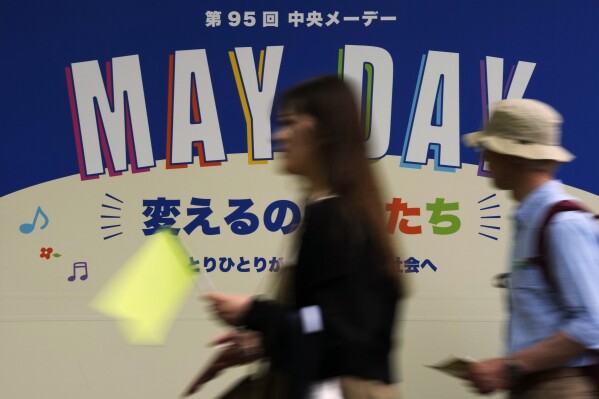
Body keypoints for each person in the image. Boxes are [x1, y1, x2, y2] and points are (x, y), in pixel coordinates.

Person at [202, 75, 404, 399]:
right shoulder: (340, 214)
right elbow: (321, 321)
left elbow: (333, 336)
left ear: (323, 132)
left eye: (289, 123)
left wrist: (252, 312)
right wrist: (262, 341)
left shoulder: (334, 220)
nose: (279, 135)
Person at [462, 98, 599, 398]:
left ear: (515, 156)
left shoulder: (562, 225)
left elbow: (593, 325)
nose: (484, 156)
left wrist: (508, 367)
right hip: (538, 385)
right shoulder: (534, 220)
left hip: (561, 387)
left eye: (490, 148)